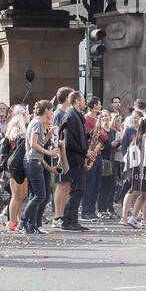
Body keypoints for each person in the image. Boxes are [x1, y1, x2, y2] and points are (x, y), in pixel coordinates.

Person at [20, 101, 58, 235]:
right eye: (51, 110)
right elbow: (34, 144)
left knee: (34, 195)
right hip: (33, 161)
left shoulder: (36, 123)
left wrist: (48, 135)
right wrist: (49, 153)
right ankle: (23, 221)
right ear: (46, 110)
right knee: (40, 195)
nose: (52, 113)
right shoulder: (36, 123)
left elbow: (39, 142)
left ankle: (31, 224)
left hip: (34, 161)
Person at [57, 90, 90, 231]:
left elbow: (76, 137)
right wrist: (85, 151)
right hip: (74, 158)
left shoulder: (76, 116)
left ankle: (72, 220)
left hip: (78, 157)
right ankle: (68, 221)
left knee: (79, 189)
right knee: (77, 189)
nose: (84, 102)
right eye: (83, 100)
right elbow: (69, 141)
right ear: (76, 101)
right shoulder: (70, 116)